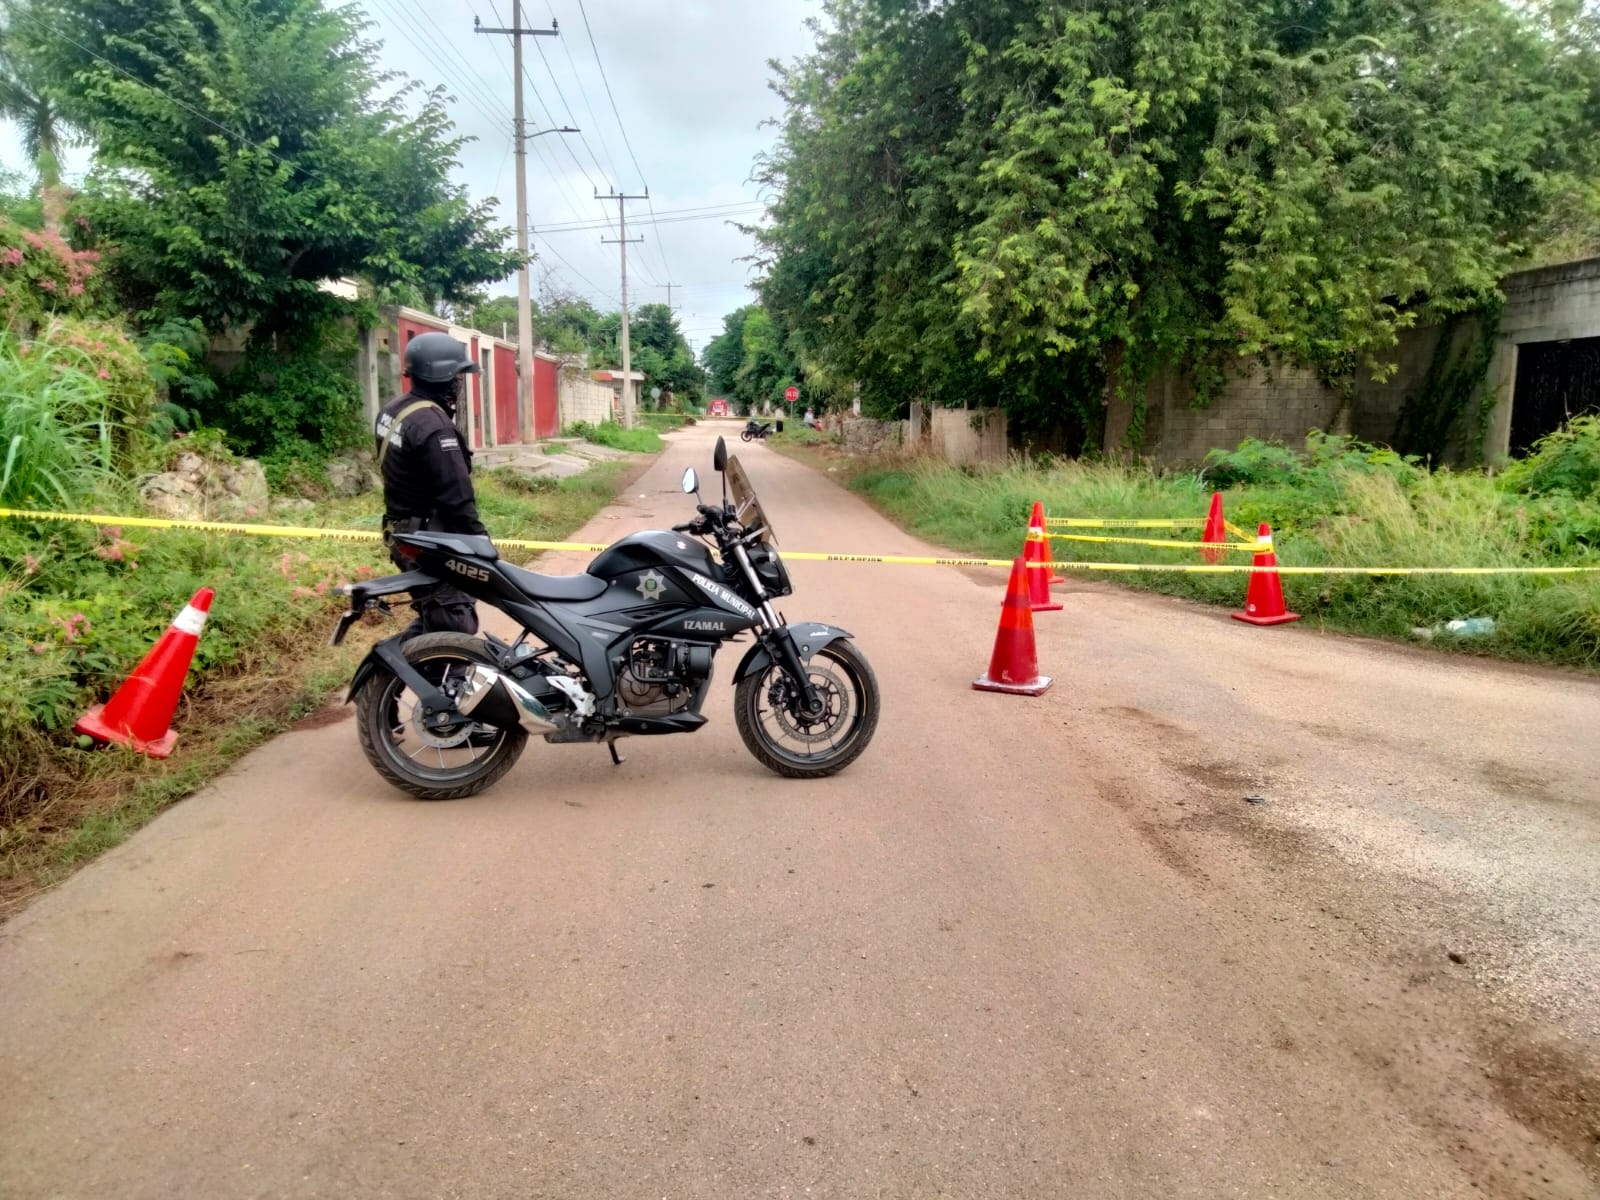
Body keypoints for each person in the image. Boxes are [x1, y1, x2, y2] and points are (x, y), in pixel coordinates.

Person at [376, 331, 487, 639]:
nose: (459, 384)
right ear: (444, 377)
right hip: (432, 540)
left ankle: (383, 678)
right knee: (454, 626)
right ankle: (440, 684)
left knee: (433, 616)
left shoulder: (393, 411)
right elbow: (457, 498)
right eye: (457, 376)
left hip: (403, 533)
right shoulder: (436, 428)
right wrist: (481, 544)